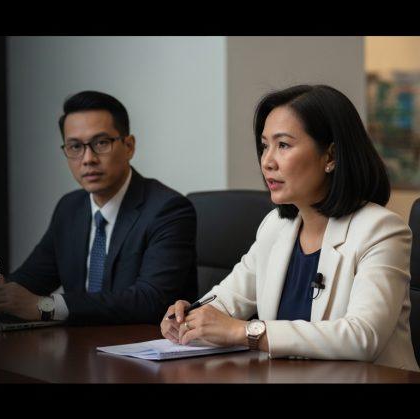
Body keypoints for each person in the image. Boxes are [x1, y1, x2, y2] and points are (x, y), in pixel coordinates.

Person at [161, 84, 419, 371]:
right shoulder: (276, 226)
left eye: (283, 145)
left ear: (331, 156)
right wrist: (188, 317)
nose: (267, 162)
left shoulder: (381, 230)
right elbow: (227, 300)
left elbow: (363, 336)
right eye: (265, 146)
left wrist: (246, 332)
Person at [0, 90, 197, 325]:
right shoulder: (70, 208)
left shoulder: (168, 210)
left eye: (101, 143)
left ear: (129, 146)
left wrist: (45, 306)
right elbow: (31, 280)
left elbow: (151, 300)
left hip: (141, 343)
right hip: (79, 342)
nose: (88, 158)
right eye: (75, 146)